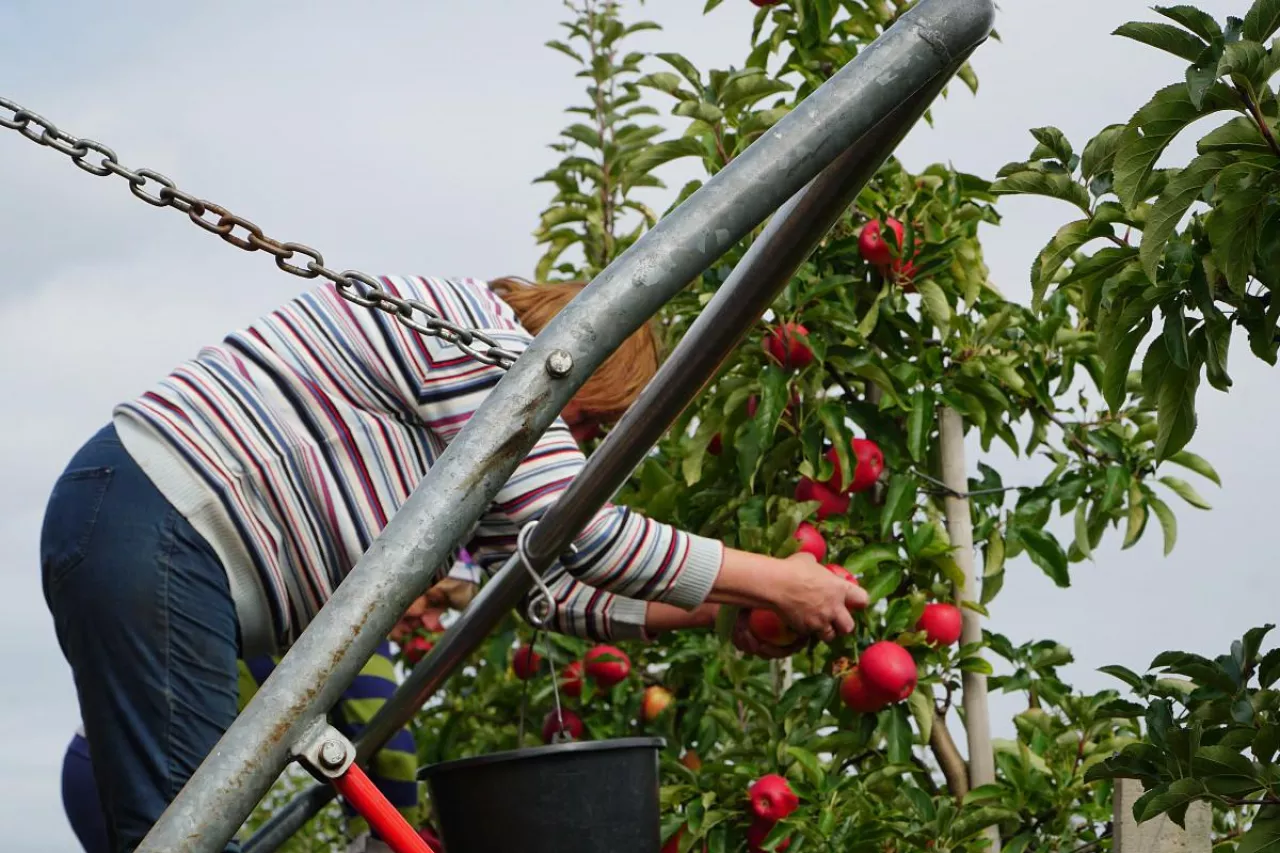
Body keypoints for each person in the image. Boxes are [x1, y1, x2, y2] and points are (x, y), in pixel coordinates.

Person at [40, 274, 867, 852]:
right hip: (161, 521)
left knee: (173, 831)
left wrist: (718, 607)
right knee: (184, 831)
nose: (581, 454)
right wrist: (776, 577)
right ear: (595, 373)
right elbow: (586, 531)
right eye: (592, 431)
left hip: (147, 531)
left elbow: (542, 582)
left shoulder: (474, 429)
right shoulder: (481, 340)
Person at [60, 557, 480, 853]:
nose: (432, 623)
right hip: (138, 773)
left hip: (106, 765)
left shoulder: (309, 599)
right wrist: (386, 840)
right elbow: (390, 749)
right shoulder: (354, 618)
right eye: (437, 601)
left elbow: (360, 742)